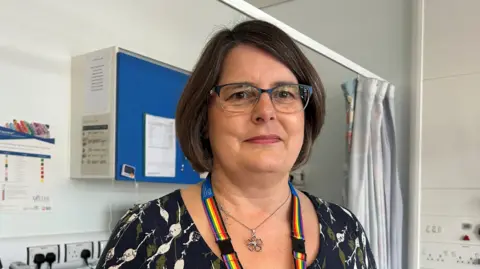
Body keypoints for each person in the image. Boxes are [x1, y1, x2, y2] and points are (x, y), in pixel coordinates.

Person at [97, 20, 377, 269]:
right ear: (204, 119)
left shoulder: (346, 231)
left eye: (284, 94)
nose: (266, 111)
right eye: (241, 94)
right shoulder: (145, 233)